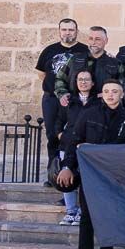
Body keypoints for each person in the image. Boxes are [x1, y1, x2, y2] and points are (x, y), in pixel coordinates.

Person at [55, 78, 125, 249]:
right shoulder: (89, 114)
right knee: (87, 217)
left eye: (115, 91)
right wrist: (67, 166)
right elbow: (74, 141)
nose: (111, 95)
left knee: (110, 216)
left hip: (115, 176)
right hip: (90, 175)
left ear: (122, 95)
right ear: (102, 94)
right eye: (107, 91)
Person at [37, 18, 90, 164]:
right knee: (52, 134)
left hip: (76, 99)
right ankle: (53, 170)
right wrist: (56, 89)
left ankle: (73, 168)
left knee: (77, 133)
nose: (67, 33)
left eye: (71, 30)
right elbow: (41, 73)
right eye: (64, 29)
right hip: (52, 99)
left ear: (77, 32)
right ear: (59, 31)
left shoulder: (85, 51)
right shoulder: (49, 50)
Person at [55, 69, 98, 225]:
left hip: (87, 147)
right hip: (68, 145)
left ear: (92, 83)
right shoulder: (69, 101)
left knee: (85, 180)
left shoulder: (98, 101)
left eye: (87, 79)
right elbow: (58, 122)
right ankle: (71, 210)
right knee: (68, 178)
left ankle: (82, 211)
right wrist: (62, 136)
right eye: (80, 79)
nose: (83, 82)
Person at [54, 25, 123, 104]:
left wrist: (108, 95)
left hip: (103, 107)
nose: (93, 42)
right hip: (75, 105)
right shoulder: (74, 59)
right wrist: (62, 94)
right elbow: (60, 78)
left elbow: (121, 87)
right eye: (91, 39)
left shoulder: (115, 64)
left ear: (106, 41)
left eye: (97, 39)